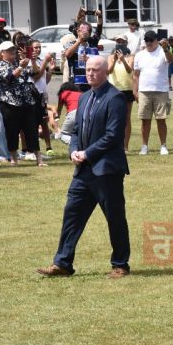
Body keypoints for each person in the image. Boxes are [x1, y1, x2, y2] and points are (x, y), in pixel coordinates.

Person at [37, 56, 131, 279]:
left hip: (107, 170)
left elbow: (113, 135)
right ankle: (62, 263)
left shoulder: (115, 98)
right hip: (83, 170)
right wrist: (74, 151)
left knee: (115, 217)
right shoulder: (85, 96)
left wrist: (87, 153)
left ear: (105, 72)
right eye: (88, 70)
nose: (90, 73)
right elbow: (77, 131)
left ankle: (121, 264)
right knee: (72, 215)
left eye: (95, 70)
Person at [0, 41, 45, 167]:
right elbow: (8, 79)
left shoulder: (20, 62)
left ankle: (39, 159)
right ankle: (14, 159)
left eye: (13, 50)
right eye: (9, 51)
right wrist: (21, 67)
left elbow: (35, 73)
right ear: (2, 53)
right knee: (12, 131)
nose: (12, 52)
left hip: (27, 101)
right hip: (9, 103)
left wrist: (32, 61)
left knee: (32, 130)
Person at [133, 30, 173, 156]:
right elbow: (136, 75)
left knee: (161, 119)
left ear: (156, 40)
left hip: (160, 90)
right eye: (147, 40)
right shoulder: (139, 55)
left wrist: (166, 48)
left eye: (151, 40)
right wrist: (135, 91)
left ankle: (163, 145)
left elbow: (170, 60)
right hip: (144, 91)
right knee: (145, 120)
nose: (149, 42)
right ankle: (144, 146)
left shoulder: (162, 52)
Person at [63, 7, 104, 91]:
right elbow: (68, 54)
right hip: (76, 84)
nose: (84, 32)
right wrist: (79, 42)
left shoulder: (93, 42)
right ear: (77, 31)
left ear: (89, 33)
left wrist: (99, 16)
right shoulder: (71, 44)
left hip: (93, 83)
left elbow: (99, 29)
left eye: (87, 30)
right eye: (81, 30)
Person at [107, 34, 134, 152]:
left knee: (126, 118)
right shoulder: (110, 56)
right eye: (118, 41)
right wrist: (114, 59)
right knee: (113, 118)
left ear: (126, 43)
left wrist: (123, 59)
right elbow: (108, 71)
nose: (120, 44)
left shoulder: (131, 56)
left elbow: (129, 70)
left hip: (127, 89)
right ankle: (113, 144)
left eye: (122, 42)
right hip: (114, 89)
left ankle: (125, 145)